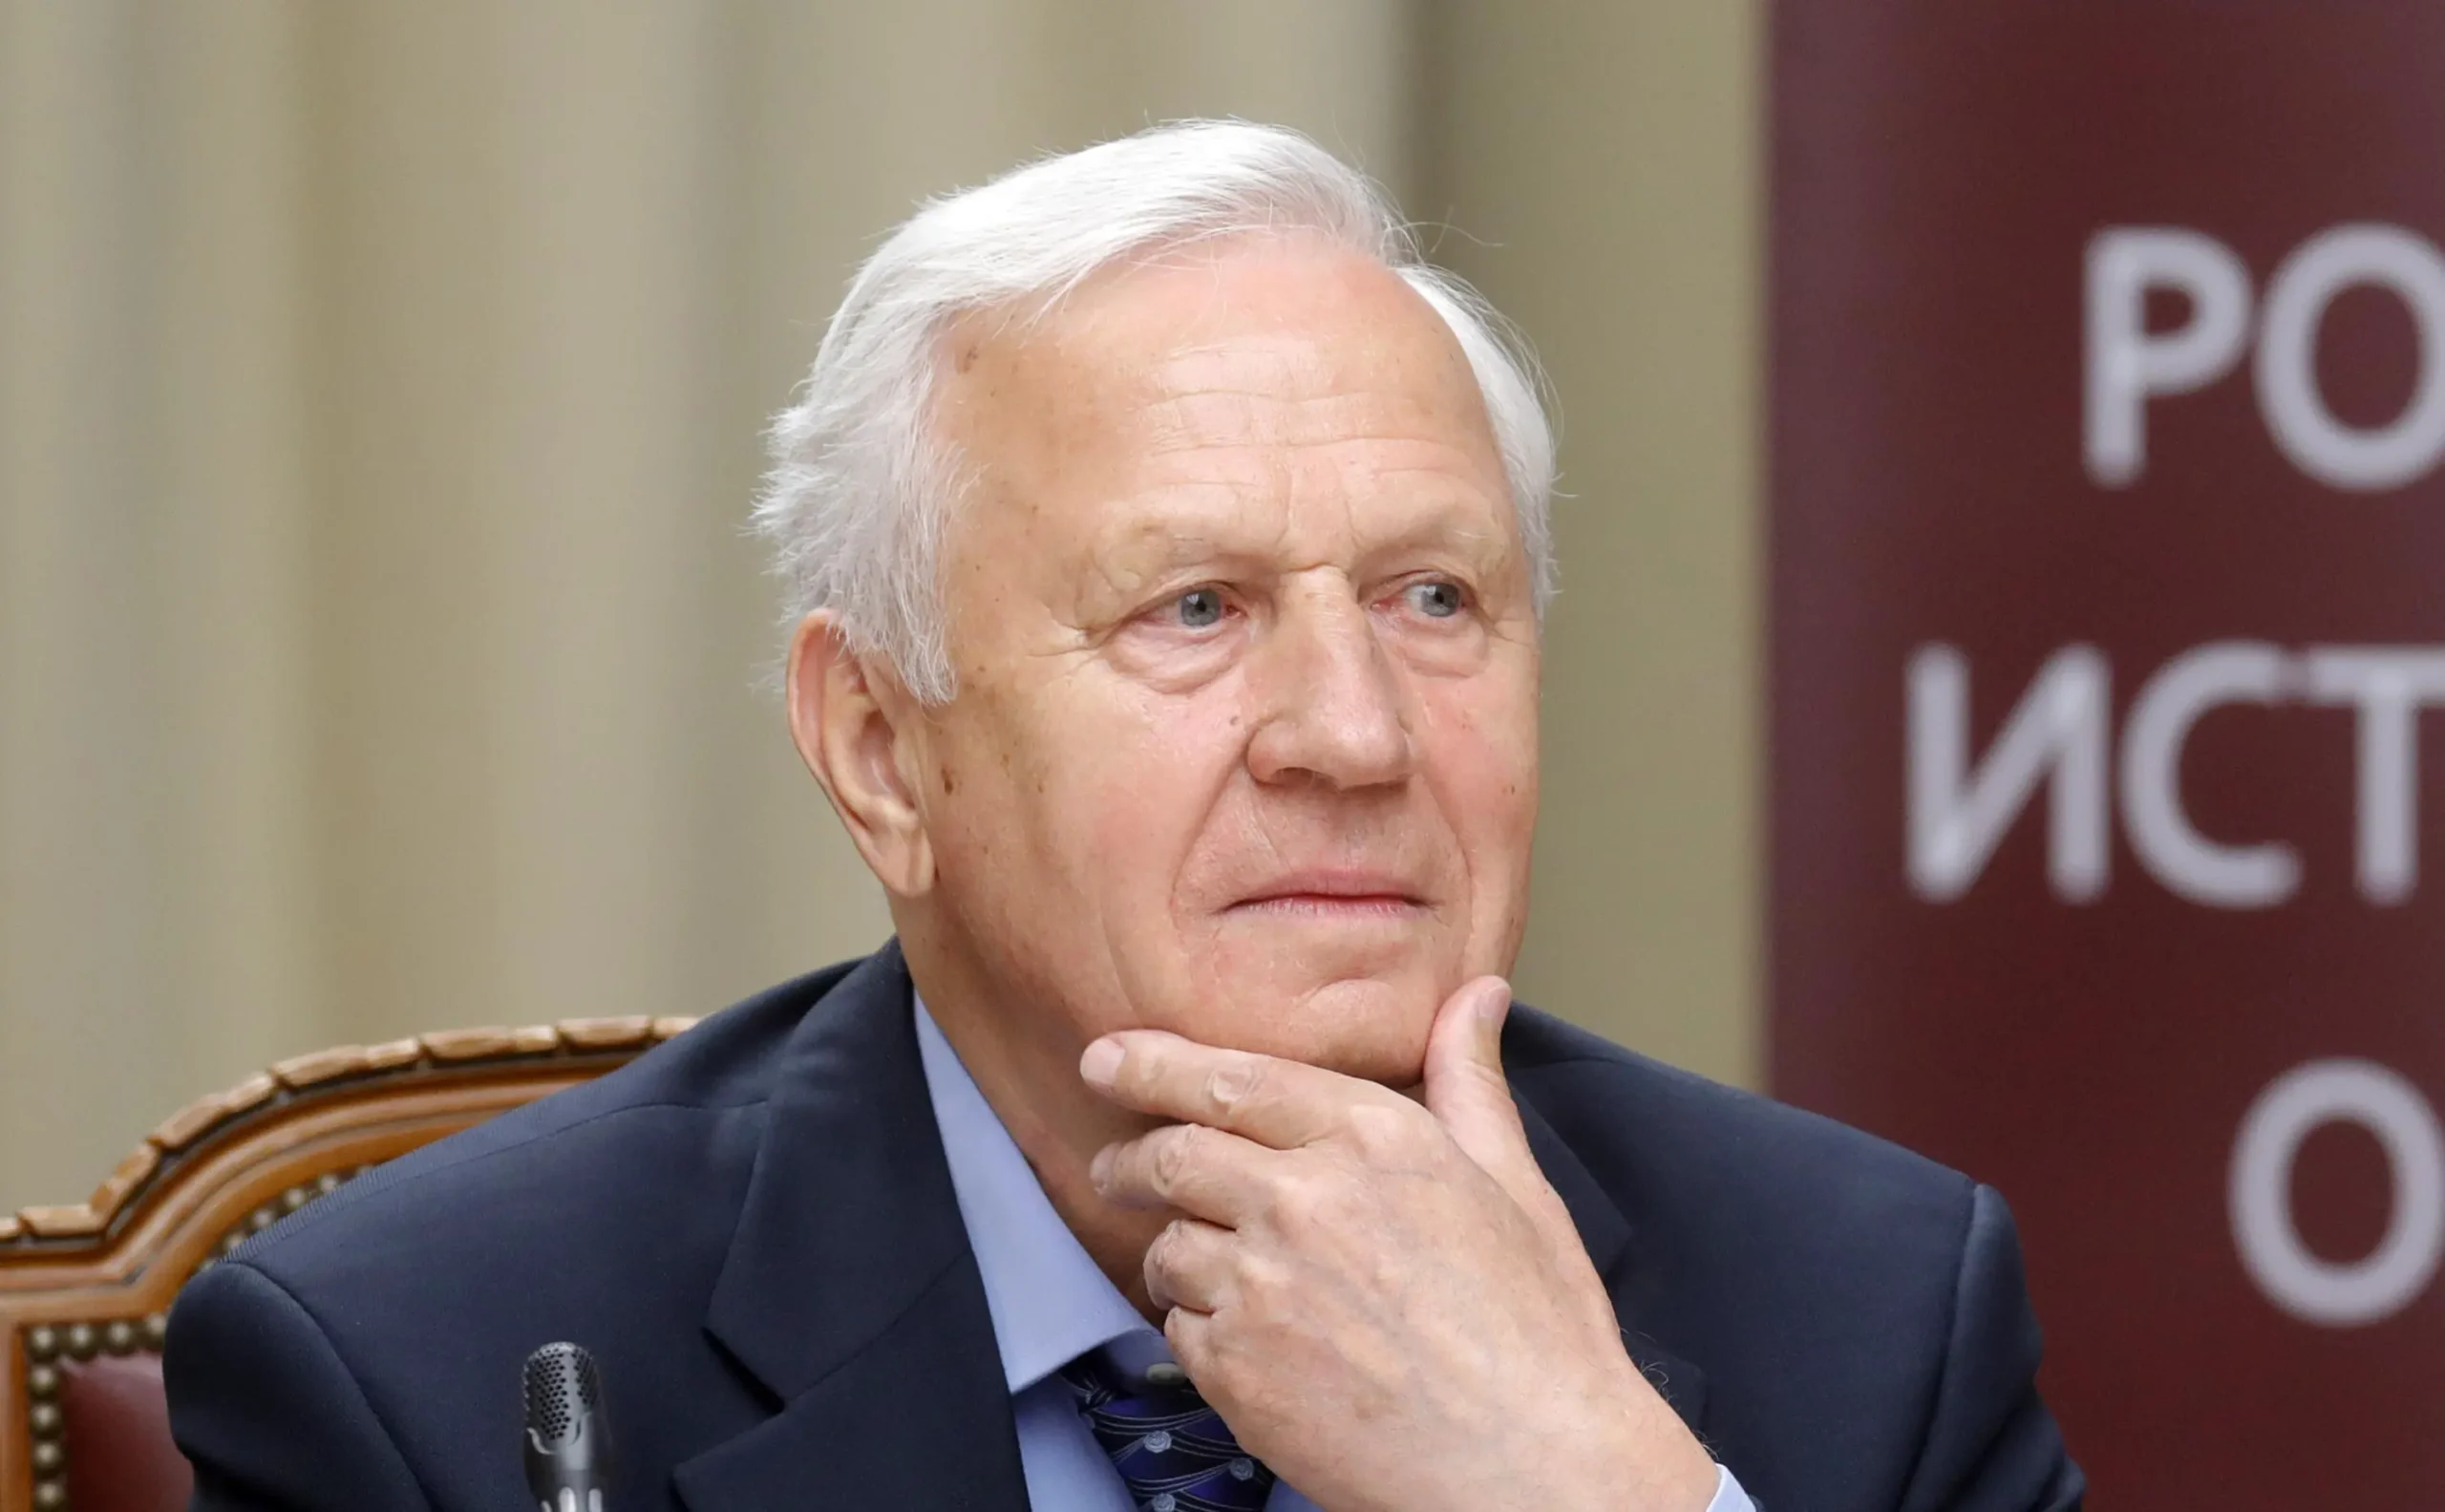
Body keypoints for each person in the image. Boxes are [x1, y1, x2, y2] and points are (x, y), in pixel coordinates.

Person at [166, 120, 2082, 1512]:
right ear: (879, 751)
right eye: (1195, 609)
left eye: (1434, 598)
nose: (1352, 732)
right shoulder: (427, 1374)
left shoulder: (1867, 1312)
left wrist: (1576, 1482)